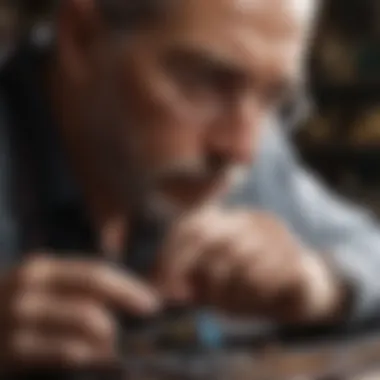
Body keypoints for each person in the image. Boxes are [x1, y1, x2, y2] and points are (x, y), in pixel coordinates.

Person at [0, 0, 380, 373]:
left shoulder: (251, 134)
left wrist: (319, 283)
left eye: (276, 99)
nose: (241, 150)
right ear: (81, 38)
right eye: (203, 82)